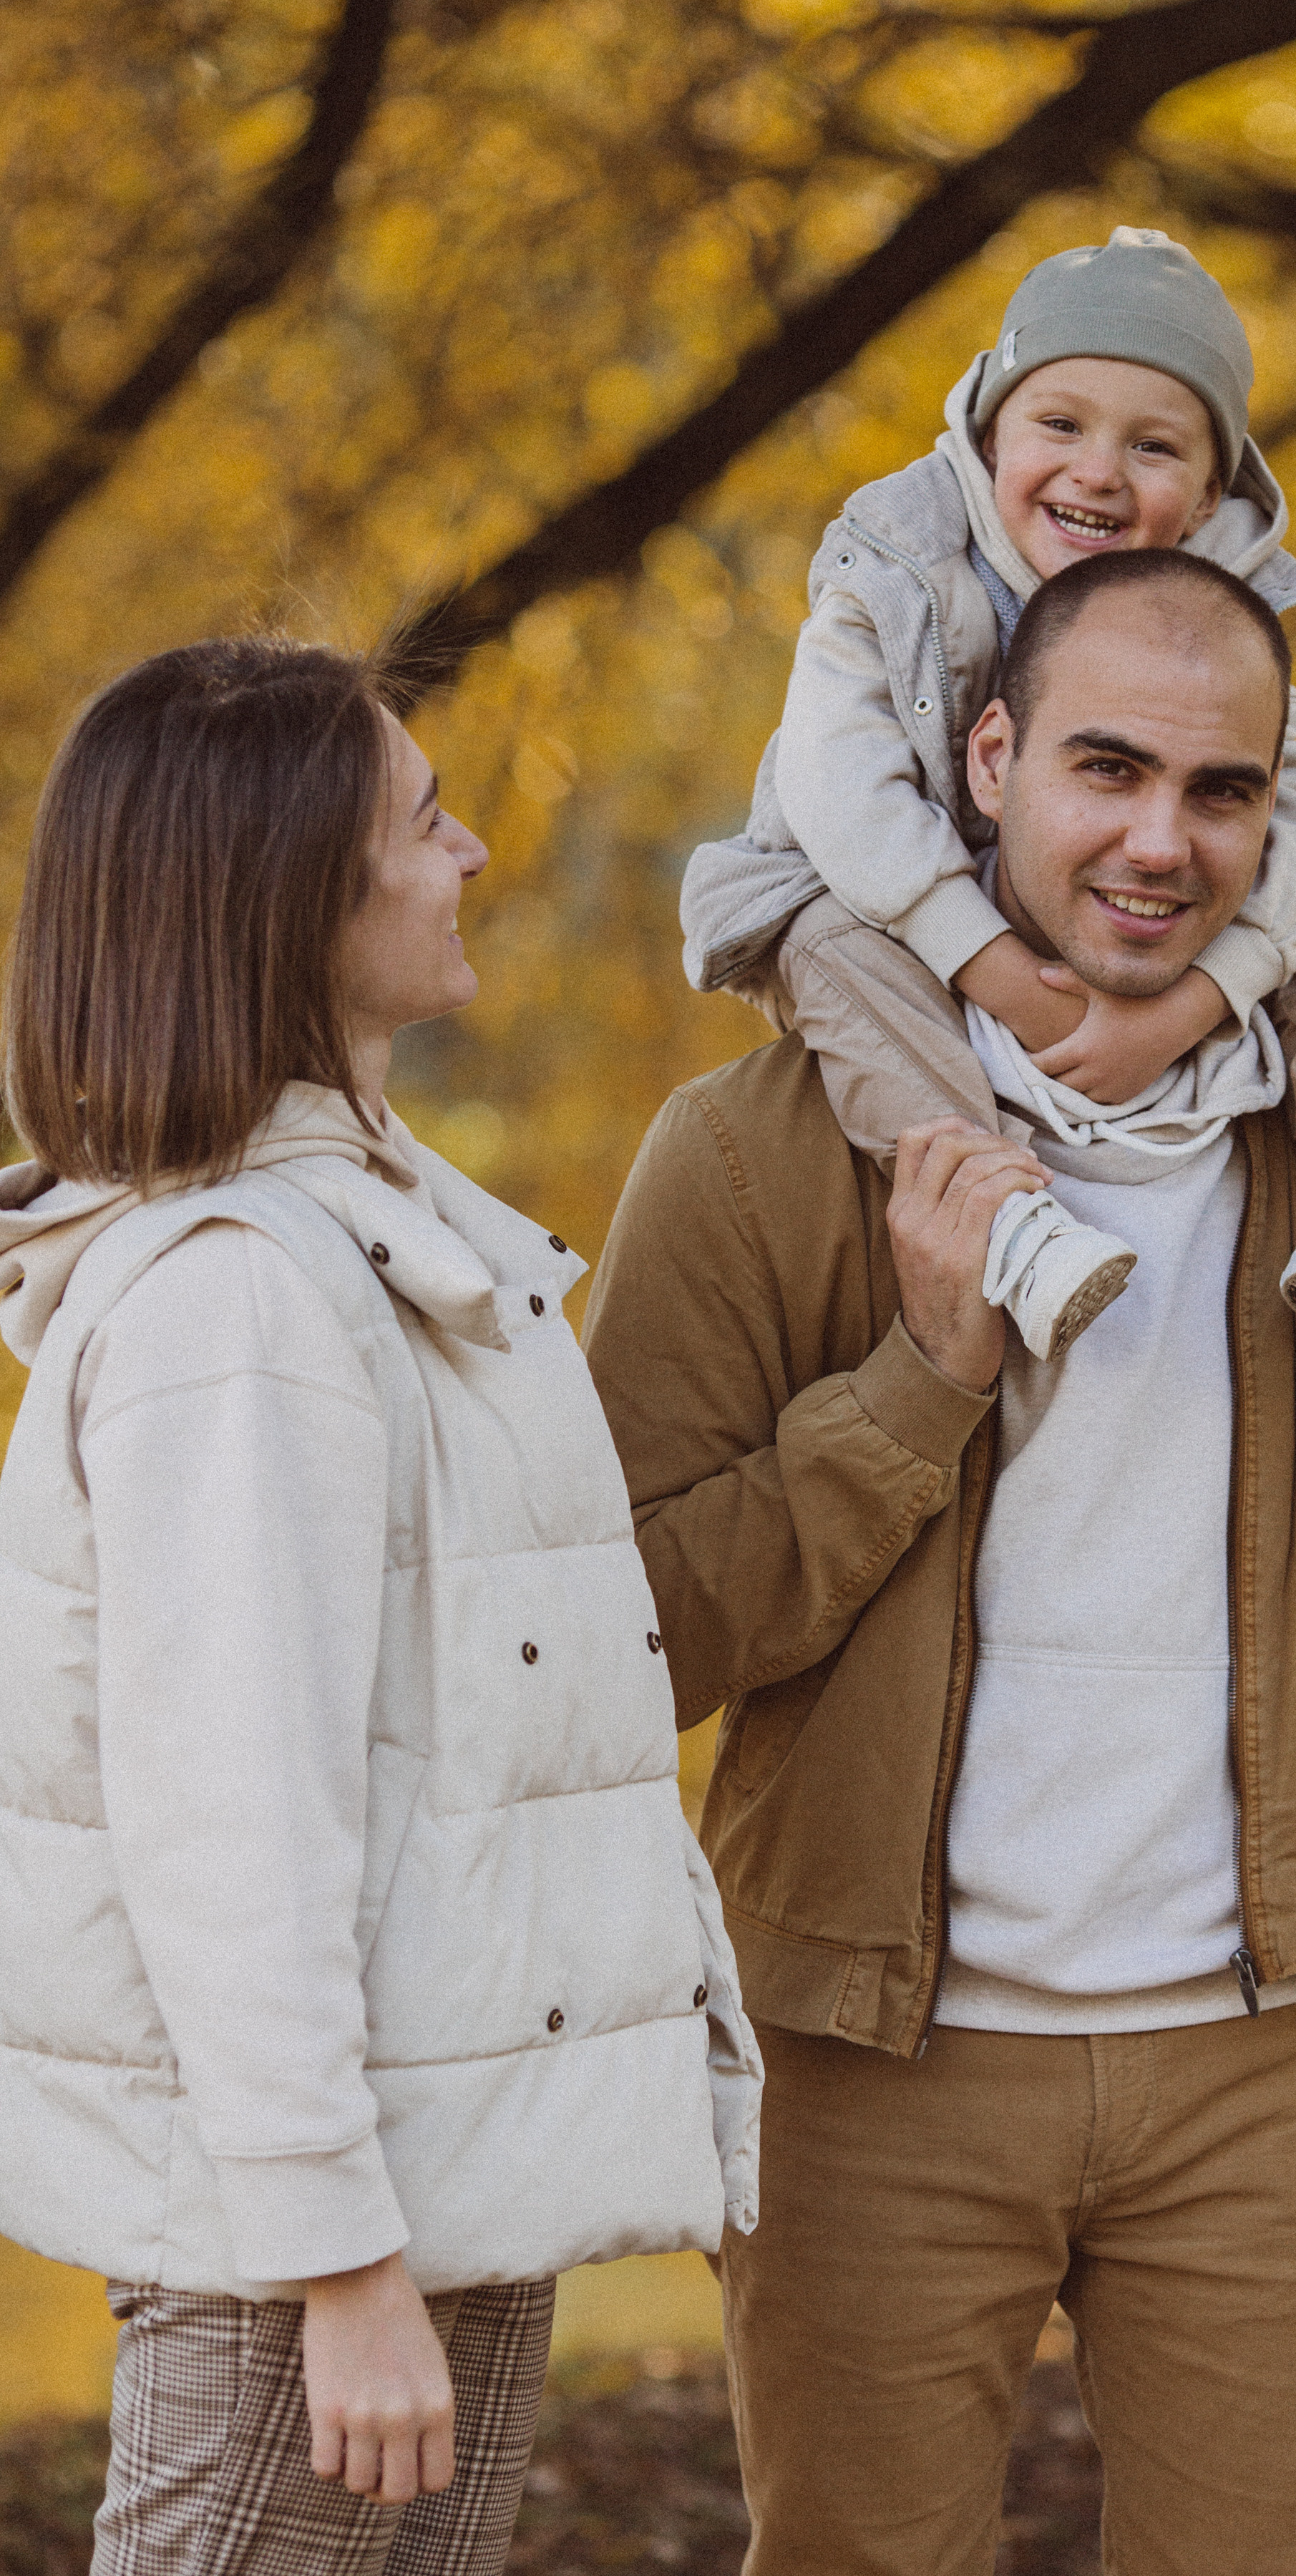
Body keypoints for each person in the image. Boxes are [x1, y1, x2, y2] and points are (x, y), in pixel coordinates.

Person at [583, 550, 1296, 2575]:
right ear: (990, 760)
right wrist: (921, 1379)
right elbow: (635, 1634)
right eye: (1106, 769)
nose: (1160, 841)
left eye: (1222, 792)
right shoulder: (756, 1148)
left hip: (1269, 2063)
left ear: (1280, 815)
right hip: (875, 2063)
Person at [0, 636, 761, 2576]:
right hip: (315, 2250)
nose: (477, 850)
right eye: (427, 823)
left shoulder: (363, 1248)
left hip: (418, 2186)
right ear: (294, 904)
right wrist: (341, 2260)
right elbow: (226, 1826)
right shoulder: (242, 1307)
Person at [679, 225, 1296, 1359]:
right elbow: (837, 787)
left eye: (1153, 447)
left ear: (1209, 497)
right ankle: (1000, 1214)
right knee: (829, 949)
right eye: (1059, 425)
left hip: (1122, 943)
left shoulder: (1222, 616)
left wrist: (1189, 1008)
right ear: (985, 431)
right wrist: (1005, 978)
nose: (1098, 472)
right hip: (864, 882)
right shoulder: (896, 568)